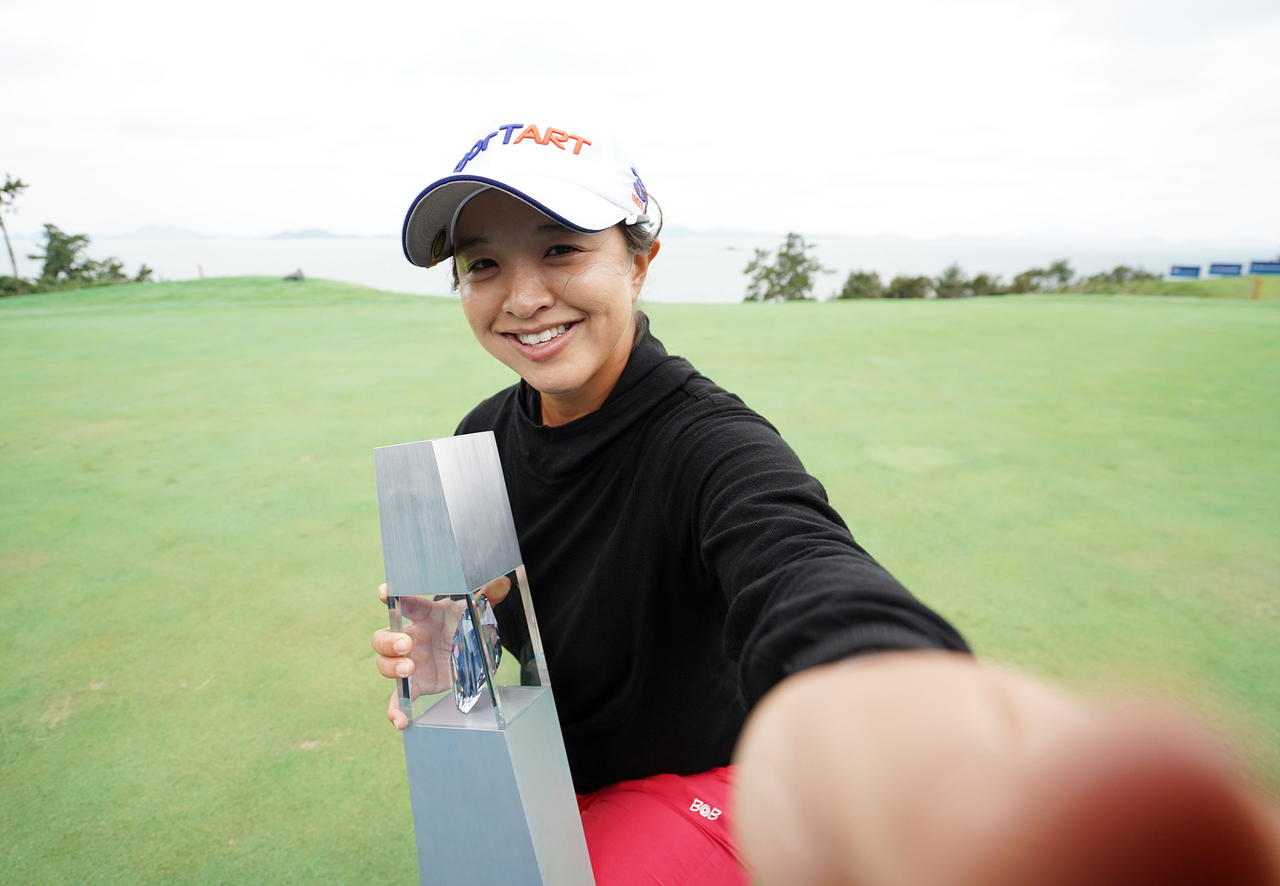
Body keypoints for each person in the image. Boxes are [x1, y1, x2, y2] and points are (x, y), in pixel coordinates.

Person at [372, 119, 1280, 886]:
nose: (523, 297)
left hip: (710, 784)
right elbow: (513, 628)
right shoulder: (482, 432)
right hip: (558, 768)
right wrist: (452, 645)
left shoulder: (710, 442)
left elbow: (800, 564)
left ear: (640, 263)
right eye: (483, 263)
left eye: (563, 249)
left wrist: (905, 720)